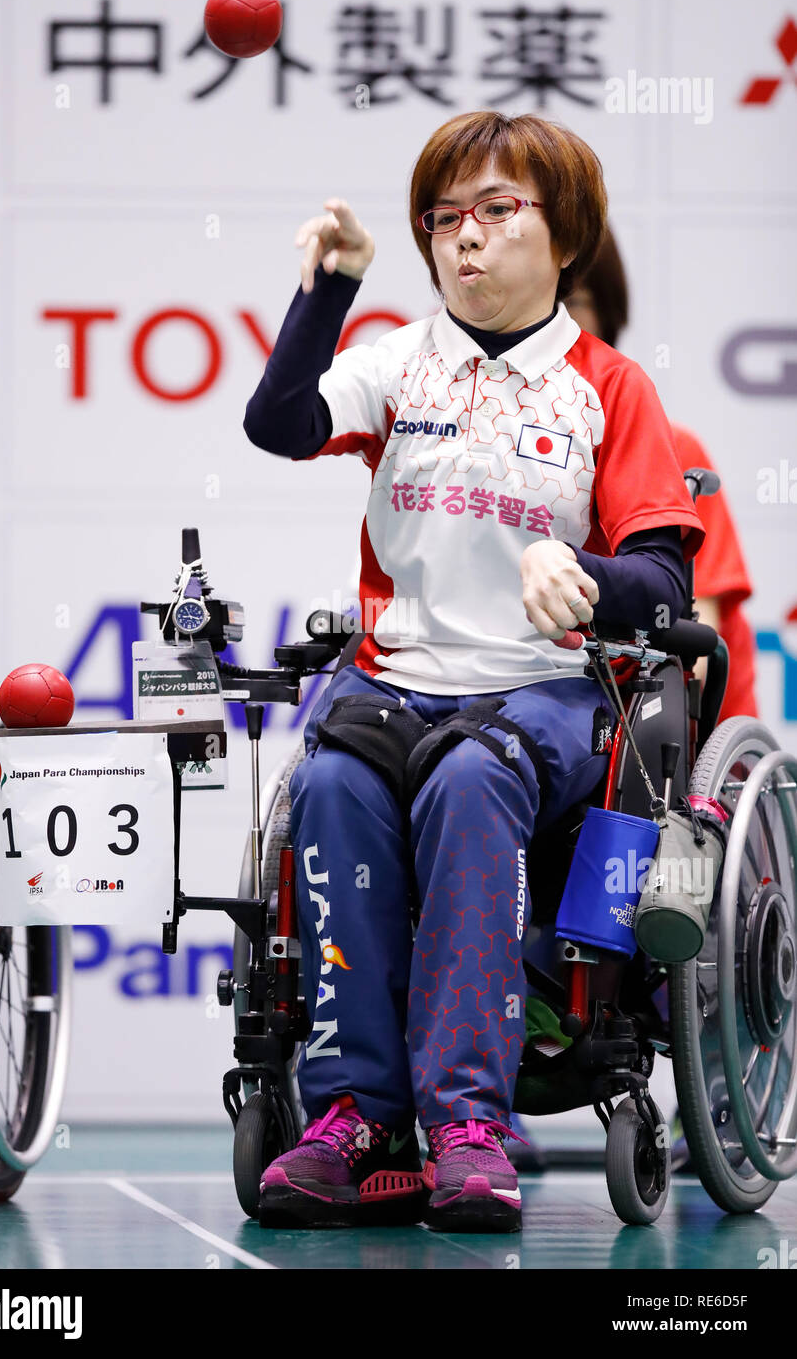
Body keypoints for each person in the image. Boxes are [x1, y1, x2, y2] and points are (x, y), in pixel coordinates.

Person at [244, 111, 704, 1232]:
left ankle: (466, 1124)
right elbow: (280, 421)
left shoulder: (608, 384)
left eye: (496, 213)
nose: (464, 240)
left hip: (539, 698)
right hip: (390, 680)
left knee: (466, 779)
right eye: (442, 219)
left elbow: (662, 578)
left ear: (564, 235)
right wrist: (330, 289)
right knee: (333, 785)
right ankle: (357, 1116)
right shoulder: (402, 359)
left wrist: (583, 570)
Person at [565, 230, 758, 720]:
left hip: (677, 726)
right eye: (551, 301)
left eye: (578, 302)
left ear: (609, 310)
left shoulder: (675, 447)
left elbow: (699, 645)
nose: (559, 323)